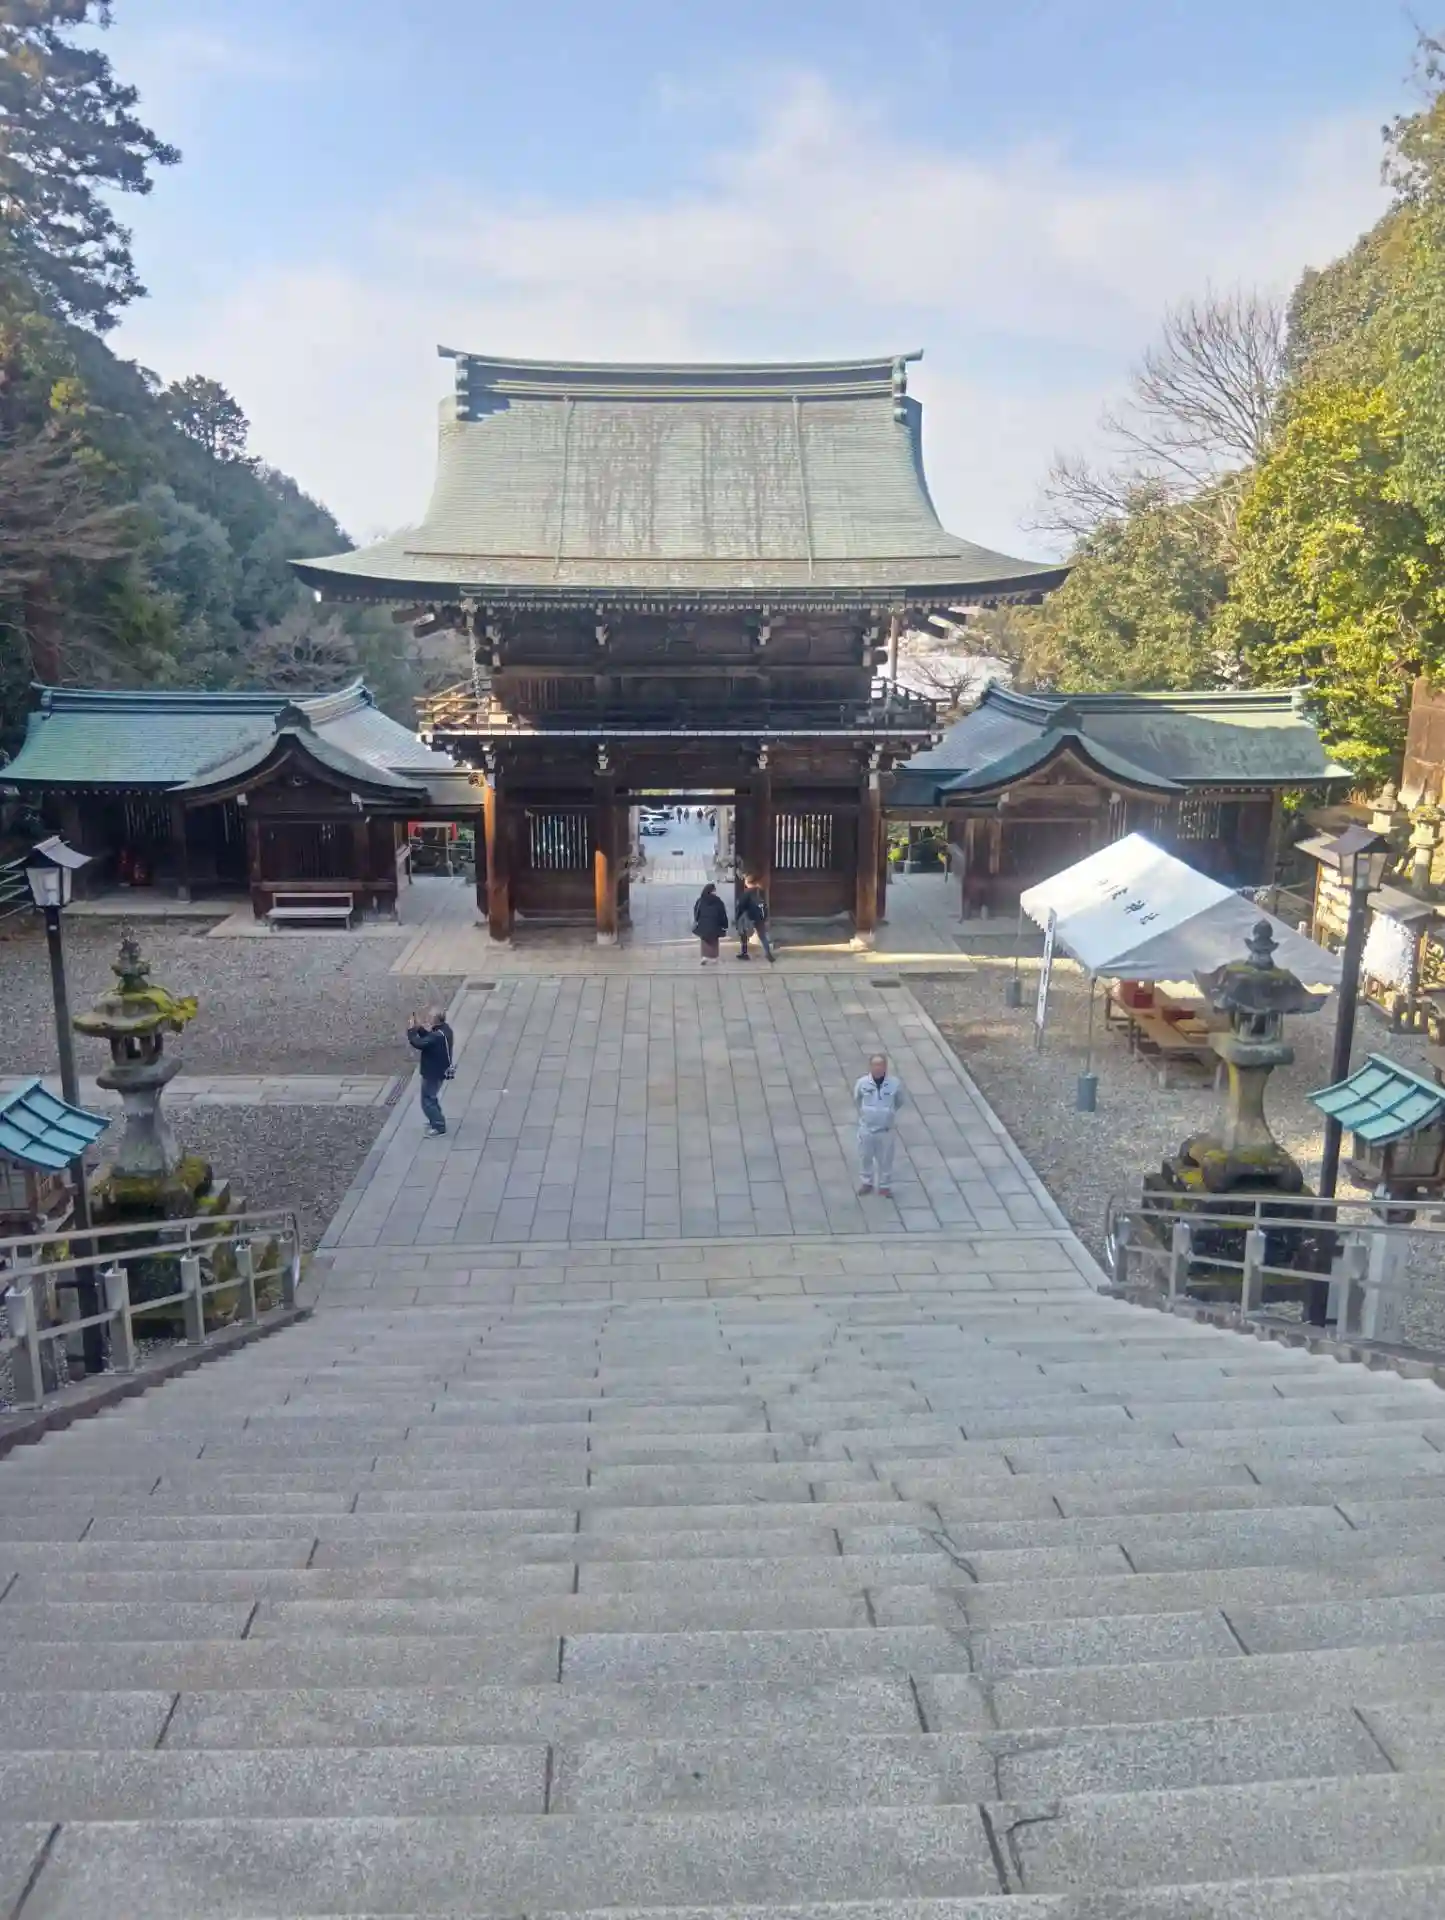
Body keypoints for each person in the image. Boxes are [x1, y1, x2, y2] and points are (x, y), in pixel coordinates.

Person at [854, 1051, 905, 1197]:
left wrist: (888, 1113)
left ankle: (884, 1186)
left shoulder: (894, 1084)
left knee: (886, 1159)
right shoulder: (862, 1083)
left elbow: (899, 1101)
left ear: (885, 1067)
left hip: (885, 1130)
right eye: (875, 1065)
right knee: (865, 1157)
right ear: (870, 1067)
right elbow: (857, 1099)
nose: (878, 1068)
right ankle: (866, 1183)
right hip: (867, 1129)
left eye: (881, 1065)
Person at [407, 1006, 454, 1135]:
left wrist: (411, 1031)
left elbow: (419, 1043)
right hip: (439, 1070)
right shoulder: (445, 1030)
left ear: (435, 1020)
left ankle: (438, 1125)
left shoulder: (437, 1036)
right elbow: (429, 1038)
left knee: (427, 1100)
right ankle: (436, 1120)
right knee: (431, 1097)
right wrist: (419, 1029)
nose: (427, 1019)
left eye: (430, 1017)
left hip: (433, 1072)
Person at [735, 874, 775, 962]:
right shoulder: (759, 892)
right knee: (762, 936)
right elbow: (765, 906)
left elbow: (741, 906)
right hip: (759, 917)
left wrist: (738, 918)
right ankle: (768, 953)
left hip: (749, 917)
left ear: (748, 882)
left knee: (743, 935)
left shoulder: (746, 893)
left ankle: (744, 953)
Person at [693, 881, 729, 964]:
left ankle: (704, 957)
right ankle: (714, 957)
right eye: (714, 890)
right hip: (715, 924)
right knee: (714, 940)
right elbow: (722, 914)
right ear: (712, 891)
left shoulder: (700, 900)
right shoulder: (718, 901)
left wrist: (697, 920)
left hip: (703, 924)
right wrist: (725, 924)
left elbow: (696, 911)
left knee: (704, 939)